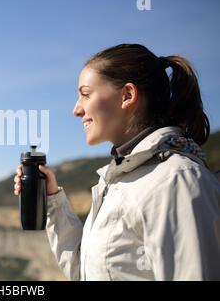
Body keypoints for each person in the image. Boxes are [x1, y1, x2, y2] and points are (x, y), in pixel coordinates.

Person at [13, 43, 220, 281]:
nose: (76, 109)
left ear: (127, 96)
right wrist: (51, 199)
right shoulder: (120, 179)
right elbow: (85, 273)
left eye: (85, 93)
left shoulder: (176, 181)